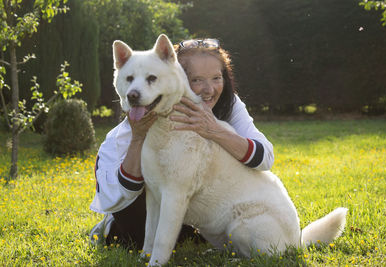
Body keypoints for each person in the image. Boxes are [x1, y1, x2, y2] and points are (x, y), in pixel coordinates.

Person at [89, 38, 274, 249]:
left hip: (185, 200)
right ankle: (110, 227)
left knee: (189, 235)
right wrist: (138, 137)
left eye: (216, 77)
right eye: (196, 80)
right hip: (129, 199)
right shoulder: (145, 111)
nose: (209, 90)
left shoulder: (229, 103)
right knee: (137, 239)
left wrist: (215, 130)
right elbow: (124, 193)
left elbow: (265, 157)